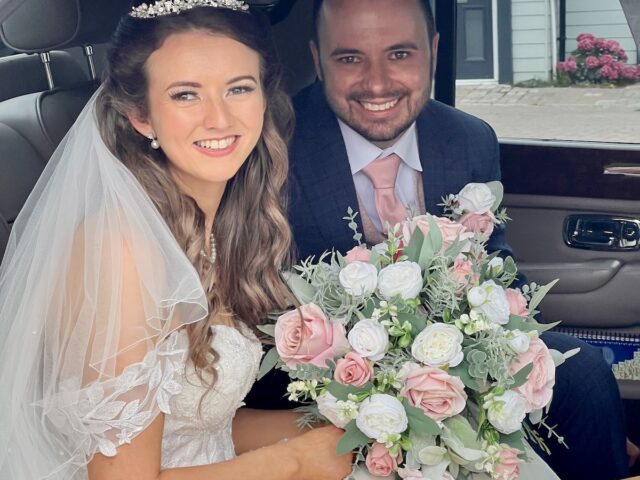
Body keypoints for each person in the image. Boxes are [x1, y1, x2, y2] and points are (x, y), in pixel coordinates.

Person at [249, 0, 630, 479]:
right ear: (317, 57)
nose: (377, 83)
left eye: (400, 54)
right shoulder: (269, 145)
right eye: (349, 58)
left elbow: (497, 265)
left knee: (587, 377)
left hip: (461, 360)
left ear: (432, 51)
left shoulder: (468, 139)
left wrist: (493, 340)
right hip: (321, 380)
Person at [0, 2, 353, 479]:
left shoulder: (223, 224)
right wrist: (294, 460)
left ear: (264, 99)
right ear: (141, 117)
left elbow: (199, 429)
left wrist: (354, 426)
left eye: (238, 88)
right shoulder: (123, 249)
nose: (218, 118)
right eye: (186, 95)